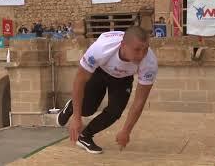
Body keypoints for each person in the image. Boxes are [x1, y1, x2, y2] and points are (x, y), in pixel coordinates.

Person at [56, 26, 158, 154]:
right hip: (101, 70)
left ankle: (85, 136)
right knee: (87, 110)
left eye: (145, 49)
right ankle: (70, 107)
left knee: (115, 112)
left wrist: (126, 131)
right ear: (123, 45)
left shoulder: (150, 62)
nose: (141, 55)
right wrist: (76, 118)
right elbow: (79, 81)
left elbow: (140, 100)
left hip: (123, 78)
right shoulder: (101, 48)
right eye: (137, 50)